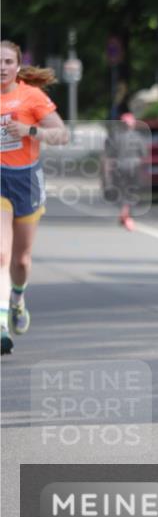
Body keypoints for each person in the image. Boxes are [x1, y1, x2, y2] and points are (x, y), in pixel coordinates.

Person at [0, 41, 69, 355]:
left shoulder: (31, 96)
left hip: (26, 180)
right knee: (1, 254)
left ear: (17, 66)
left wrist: (29, 131)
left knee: (21, 261)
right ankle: (1, 324)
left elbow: (62, 134)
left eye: (7, 61)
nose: (2, 67)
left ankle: (17, 298)